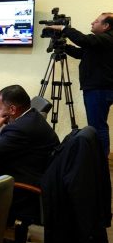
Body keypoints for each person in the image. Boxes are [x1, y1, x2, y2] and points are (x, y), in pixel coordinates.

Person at [0, 85, 59, 225]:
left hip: (23, 186)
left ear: (12, 109)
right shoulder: (32, 116)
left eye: (0, 108)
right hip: (35, 171)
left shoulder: (20, 128)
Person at [47, 12, 113, 155]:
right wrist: (64, 46)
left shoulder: (107, 38)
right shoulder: (101, 42)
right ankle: (98, 158)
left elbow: (83, 40)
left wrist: (64, 28)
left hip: (99, 89)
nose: (92, 23)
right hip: (97, 89)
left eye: (96, 21)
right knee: (96, 125)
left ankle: (101, 160)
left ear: (106, 26)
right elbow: (81, 53)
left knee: (97, 126)